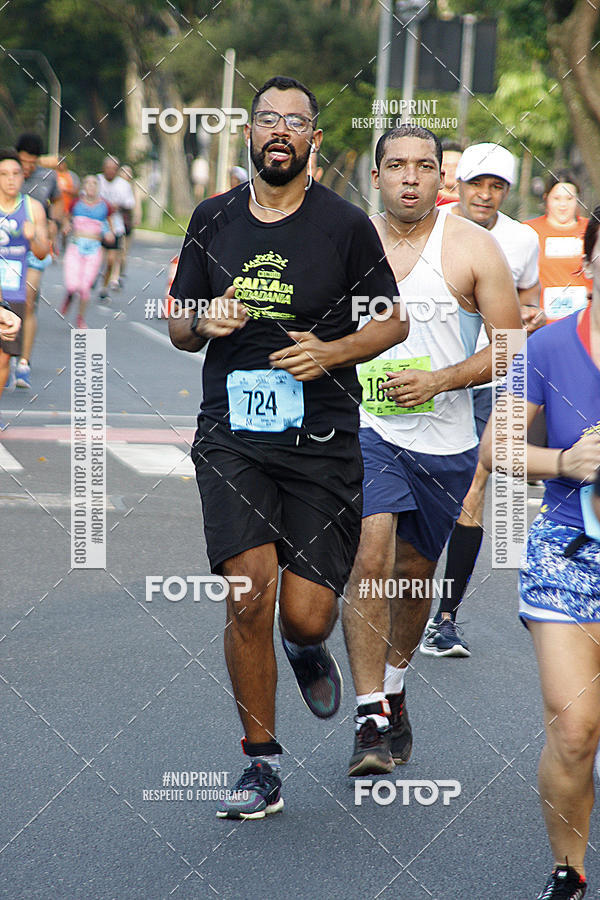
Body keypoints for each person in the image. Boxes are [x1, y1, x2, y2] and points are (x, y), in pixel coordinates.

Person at [168, 75, 408, 819]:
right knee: (247, 593)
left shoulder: (344, 227)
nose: (279, 132)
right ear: (249, 133)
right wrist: (202, 320)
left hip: (322, 438)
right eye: (266, 119)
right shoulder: (212, 219)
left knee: (304, 615)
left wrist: (330, 353)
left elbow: (391, 324)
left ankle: (307, 648)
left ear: (314, 139)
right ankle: (261, 764)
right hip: (232, 433)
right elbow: (178, 324)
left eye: (293, 122)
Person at [341, 125, 522, 776]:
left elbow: (511, 346)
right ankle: (367, 717)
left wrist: (440, 381)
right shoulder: (347, 242)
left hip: (446, 442)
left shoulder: (473, 248)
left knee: (415, 576)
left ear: (440, 180)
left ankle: (392, 689)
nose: (410, 177)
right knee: (371, 553)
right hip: (367, 432)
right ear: (377, 175)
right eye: (396, 166)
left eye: (423, 166)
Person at [480, 209, 600, 900]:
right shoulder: (550, 348)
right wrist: (564, 458)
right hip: (569, 555)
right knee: (576, 729)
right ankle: (569, 871)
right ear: (587, 265)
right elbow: (497, 448)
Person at [421, 142, 544, 657]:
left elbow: (532, 300)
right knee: (420, 488)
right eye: (477, 184)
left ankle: (445, 618)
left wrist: (528, 316)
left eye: (497, 187)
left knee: (475, 483)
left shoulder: (521, 240)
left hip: (492, 378)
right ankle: (398, 592)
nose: (486, 195)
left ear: (507, 192)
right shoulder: (432, 227)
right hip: (427, 374)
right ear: (459, 185)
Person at [0, 149, 49, 407]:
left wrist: (34, 237)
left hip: (13, 291)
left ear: (23, 177)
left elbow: (42, 253)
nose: (10, 179)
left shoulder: (33, 208)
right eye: (4, 174)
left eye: (16, 174)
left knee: (4, 359)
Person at [15, 133, 60, 389]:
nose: (26, 167)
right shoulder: (7, 172)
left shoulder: (47, 177)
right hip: (7, 248)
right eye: (23, 161)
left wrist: (54, 224)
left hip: (33, 247)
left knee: (28, 302)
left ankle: (23, 362)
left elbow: (59, 203)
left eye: (32, 162)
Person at [525, 170, 591, 323]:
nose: (563, 205)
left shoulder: (593, 230)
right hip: (539, 324)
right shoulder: (528, 231)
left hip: (584, 324)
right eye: (556, 198)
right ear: (546, 198)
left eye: (569, 198)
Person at [61, 175, 114, 328]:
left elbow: (109, 224)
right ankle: (69, 296)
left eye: (94, 184)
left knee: (85, 288)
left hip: (94, 249)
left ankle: (80, 318)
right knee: (72, 286)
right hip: (76, 247)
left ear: (98, 187)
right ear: (83, 186)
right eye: (88, 183)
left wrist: (109, 233)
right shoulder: (76, 203)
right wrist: (66, 226)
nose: (91, 186)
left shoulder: (105, 206)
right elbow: (66, 218)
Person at [97, 156, 134, 301]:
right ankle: (93, 276)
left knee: (111, 260)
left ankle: (104, 286)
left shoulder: (123, 185)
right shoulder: (97, 181)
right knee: (97, 257)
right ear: (103, 168)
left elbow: (129, 205)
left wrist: (118, 207)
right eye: (108, 168)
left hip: (116, 227)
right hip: (97, 225)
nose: (110, 172)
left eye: (113, 169)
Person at [55, 157, 81, 252]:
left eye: (61, 163)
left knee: (66, 229)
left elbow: (77, 191)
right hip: (57, 207)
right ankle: (55, 248)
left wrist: (67, 190)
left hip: (69, 208)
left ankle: (65, 245)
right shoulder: (54, 175)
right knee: (55, 228)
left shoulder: (71, 176)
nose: (60, 166)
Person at [436, 139, 461, 205]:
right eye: (445, 165)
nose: (451, 170)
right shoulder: (428, 201)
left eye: (456, 165)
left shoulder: (472, 202)